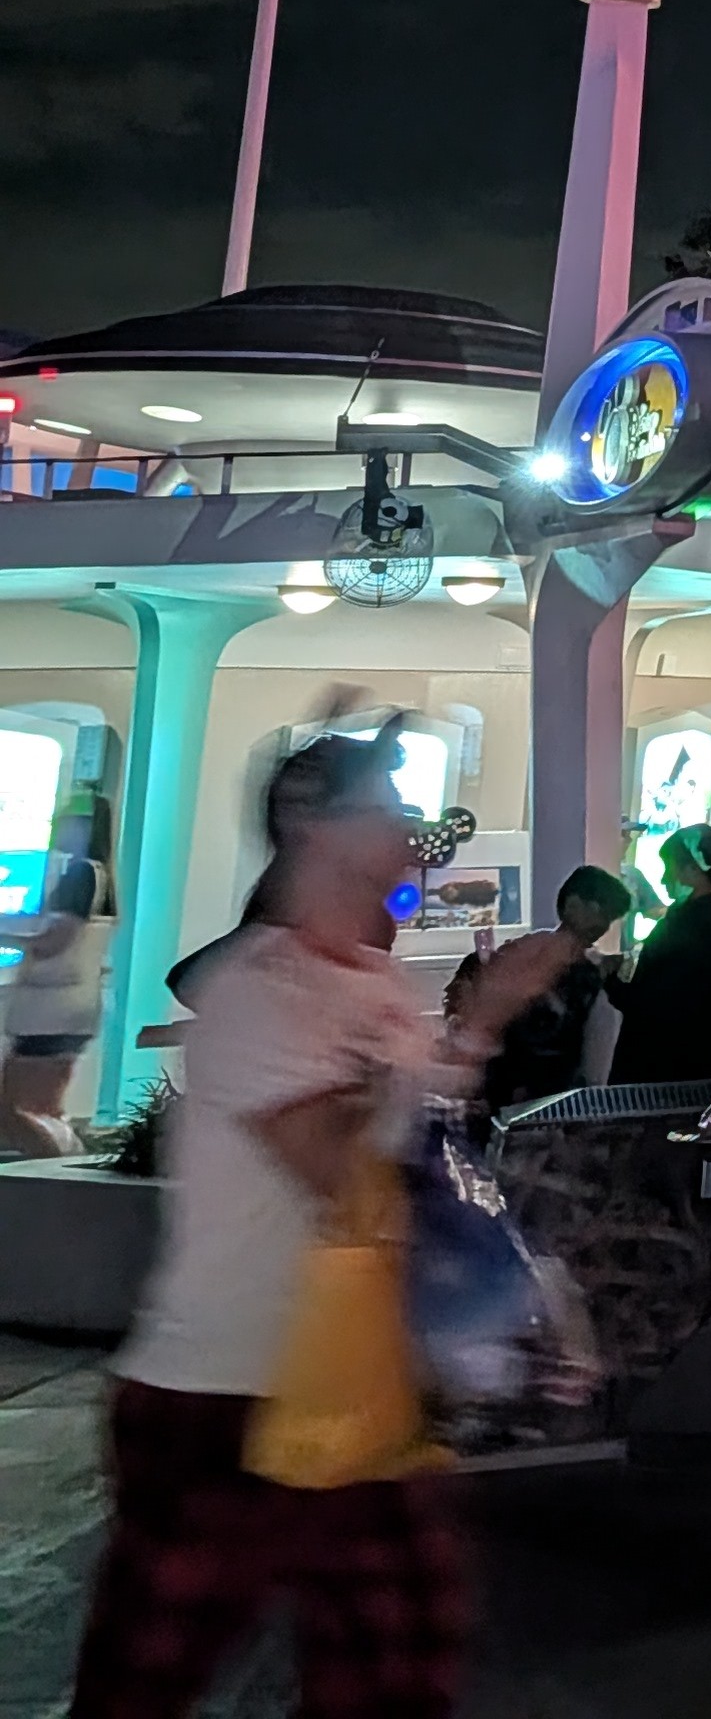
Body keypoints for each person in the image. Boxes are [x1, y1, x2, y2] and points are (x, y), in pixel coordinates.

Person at [74, 728, 582, 1719]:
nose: (410, 824)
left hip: (354, 1385)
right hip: (222, 1400)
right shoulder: (257, 994)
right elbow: (347, 1175)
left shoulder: (377, 980)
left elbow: (420, 1132)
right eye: (387, 803)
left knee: (400, 1660)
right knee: (144, 1683)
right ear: (311, 824)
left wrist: (482, 1023)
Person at [482, 866, 636, 1112]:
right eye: (598, 909)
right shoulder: (532, 956)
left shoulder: (588, 973)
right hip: (520, 1093)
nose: (602, 923)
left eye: (608, 916)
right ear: (573, 903)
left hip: (549, 1098)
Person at [2, 799, 108, 1155]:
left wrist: (10, 936)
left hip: (50, 1018)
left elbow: (54, 941)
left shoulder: (81, 874)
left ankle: (59, 1173)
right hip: (60, 1016)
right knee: (33, 1108)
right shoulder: (91, 874)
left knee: (22, 1111)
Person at [609, 824, 711, 1085]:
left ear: (694, 870)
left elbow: (656, 1000)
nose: (663, 879)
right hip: (701, 1059)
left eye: (668, 868)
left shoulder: (688, 926)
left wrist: (609, 981)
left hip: (664, 1063)